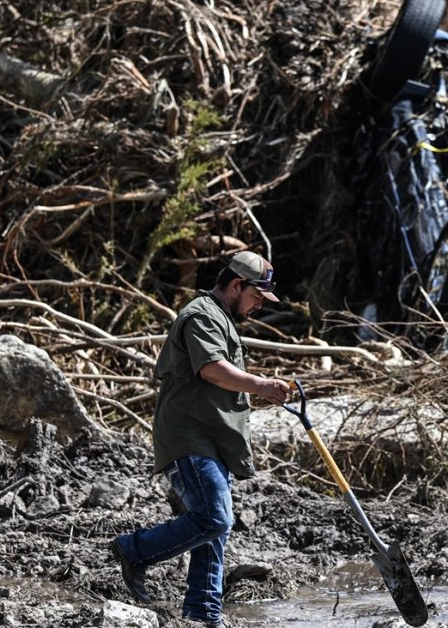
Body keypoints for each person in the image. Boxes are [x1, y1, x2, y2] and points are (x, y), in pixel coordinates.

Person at [110, 251, 291, 627]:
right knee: (214, 518)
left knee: (212, 527)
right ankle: (134, 549)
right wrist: (262, 386)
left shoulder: (221, 318)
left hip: (212, 439)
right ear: (237, 285)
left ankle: (204, 612)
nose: (259, 305)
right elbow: (211, 369)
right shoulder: (202, 315)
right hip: (189, 436)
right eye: (257, 296)